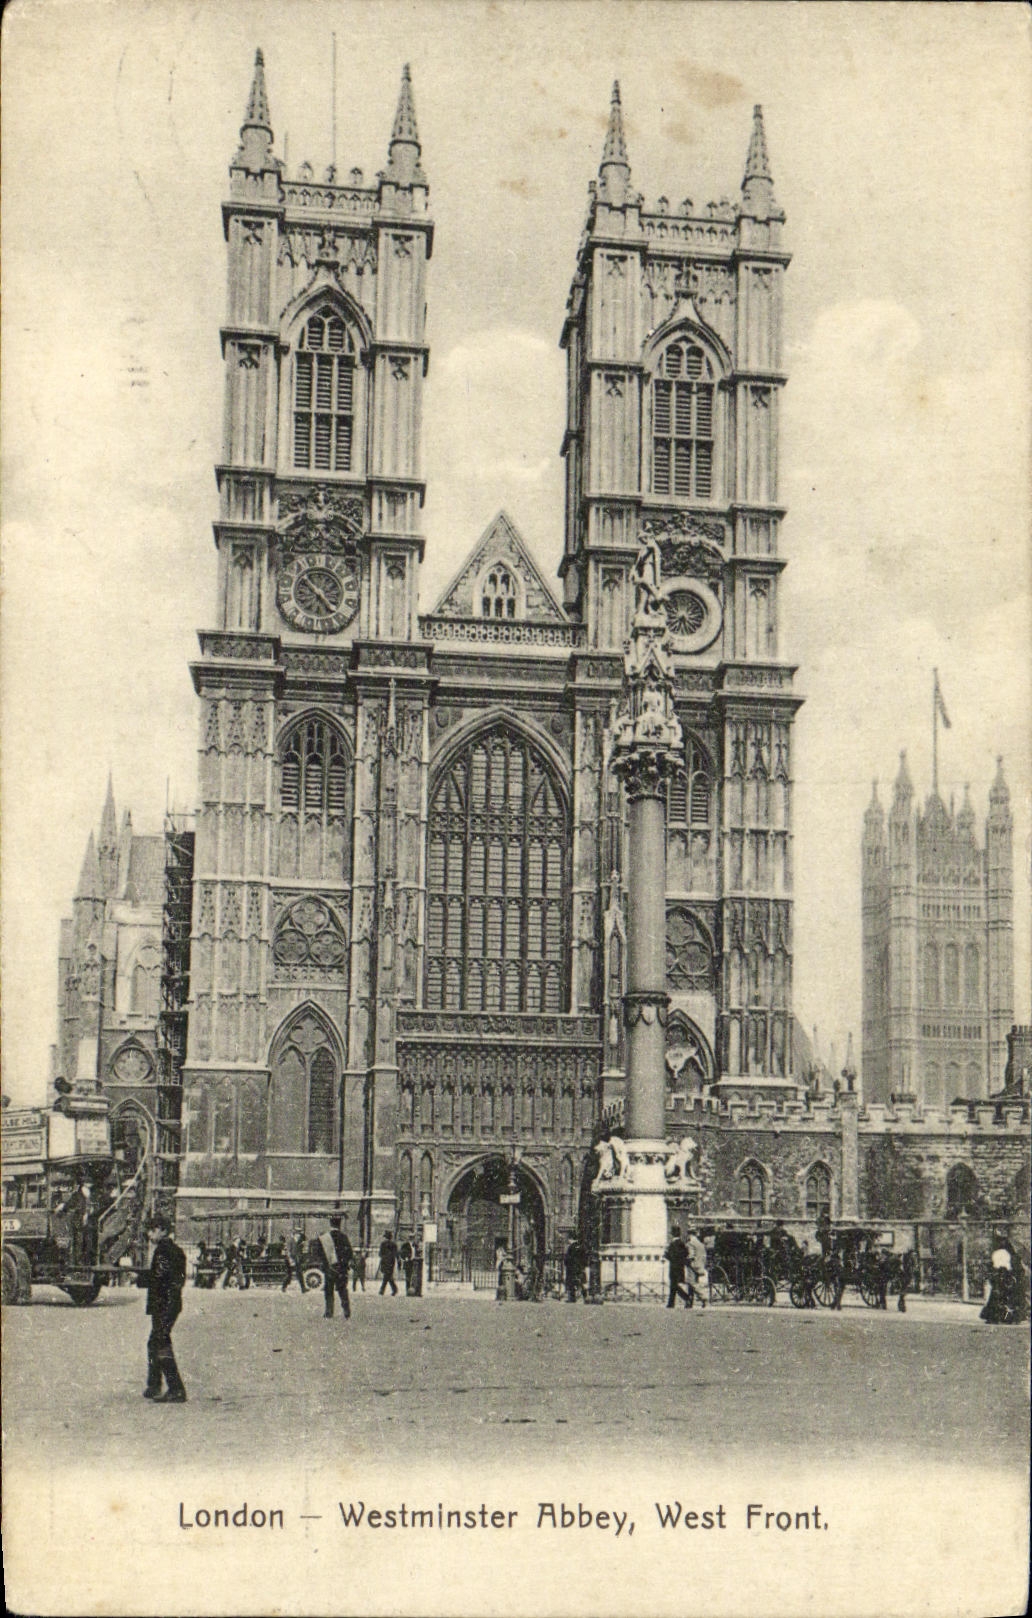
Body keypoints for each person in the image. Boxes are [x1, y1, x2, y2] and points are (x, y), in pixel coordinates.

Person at [140, 1213, 187, 1403]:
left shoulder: (164, 1251)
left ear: (163, 1230)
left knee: (160, 1343)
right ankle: (154, 1384)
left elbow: (159, 1277)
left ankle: (175, 1388)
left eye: (153, 1230)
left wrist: (142, 1278)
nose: (150, 1235)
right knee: (155, 1342)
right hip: (170, 1302)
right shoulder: (174, 1250)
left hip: (163, 1303)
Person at [319, 1214, 354, 1319]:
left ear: (330, 1224)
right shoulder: (344, 1237)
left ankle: (329, 1312)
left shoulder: (325, 1238)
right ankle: (346, 1311)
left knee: (329, 1291)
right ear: (340, 1224)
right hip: (342, 1269)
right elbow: (350, 1253)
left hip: (329, 1268)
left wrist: (325, 1265)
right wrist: (345, 1263)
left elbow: (321, 1254)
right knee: (342, 1290)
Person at [664, 1224, 691, 1309]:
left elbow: (672, 1255)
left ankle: (686, 1298)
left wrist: (666, 1255)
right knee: (673, 1285)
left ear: (673, 1233)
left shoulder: (674, 1243)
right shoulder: (681, 1243)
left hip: (674, 1267)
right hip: (679, 1267)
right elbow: (686, 1253)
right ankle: (671, 1303)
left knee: (674, 1286)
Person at [684, 1227, 708, 1309]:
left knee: (692, 1283)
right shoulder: (700, 1244)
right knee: (693, 1284)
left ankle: (703, 1297)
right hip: (700, 1266)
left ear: (690, 1234)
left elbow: (691, 1256)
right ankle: (689, 1302)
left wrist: (685, 1260)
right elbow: (704, 1256)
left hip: (692, 1266)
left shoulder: (690, 1243)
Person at [281, 1226, 307, 1294]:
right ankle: (283, 1287)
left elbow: (301, 1251)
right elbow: (288, 1252)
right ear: (294, 1234)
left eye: (299, 1233)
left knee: (300, 1274)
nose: (299, 1235)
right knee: (289, 1275)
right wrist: (291, 1260)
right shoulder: (290, 1241)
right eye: (297, 1233)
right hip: (290, 1260)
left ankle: (303, 1289)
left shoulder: (300, 1242)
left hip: (297, 1260)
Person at [563, 1236, 585, 1302]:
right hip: (578, 1267)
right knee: (579, 1282)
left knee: (571, 1283)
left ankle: (571, 1298)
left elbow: (567, 1258)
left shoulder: (571, 1247)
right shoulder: (580, 1246)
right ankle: (584, 1296)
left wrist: (566, 1263)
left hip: (571, 1267)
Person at [378, 1230, 399, 1296]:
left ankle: (382, 1290)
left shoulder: (383, 1244)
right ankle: (394, 1289)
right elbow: (396, 1254)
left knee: (386, 1276)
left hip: (384, 1261)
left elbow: (380, 1254)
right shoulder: (394, 1244)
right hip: (391, 1262)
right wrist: (398, 1262)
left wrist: (383, 1257)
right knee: (388, 1276)